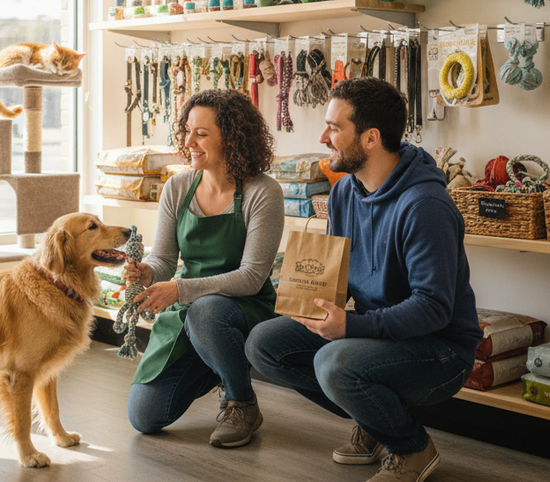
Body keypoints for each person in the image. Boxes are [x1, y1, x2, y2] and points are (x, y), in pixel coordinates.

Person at [247, 78, 482, 482]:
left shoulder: (425, 206)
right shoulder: (344, 193)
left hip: (440, 349)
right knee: (264, 343)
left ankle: (411, 447)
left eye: (334, 128)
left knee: (334, 363)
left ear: (371, 138)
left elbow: (433, 308)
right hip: (376, 333)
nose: (323, 138)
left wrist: (350, 327)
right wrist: (304, 293)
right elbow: (335, 277)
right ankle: (375, 420)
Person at [126, 88, 284, 448]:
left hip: (243, 307)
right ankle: (217, 358)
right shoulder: (177, 187)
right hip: (189, 309)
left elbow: (251, 277)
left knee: (207, 311)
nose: (189, 142)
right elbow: (164, 260)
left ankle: (241, 401)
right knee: (144, 417)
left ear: (231, 136)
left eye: (201, 133)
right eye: (187, 131)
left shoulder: (263, 192)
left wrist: (180, 290)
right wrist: (148, 272)